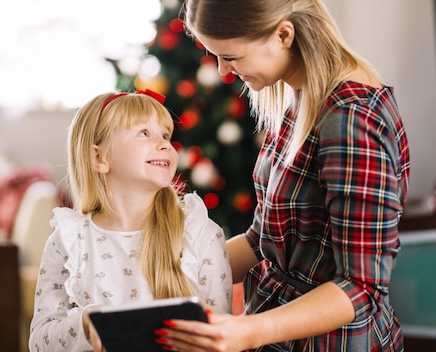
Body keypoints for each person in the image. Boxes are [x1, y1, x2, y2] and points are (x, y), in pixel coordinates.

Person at [153, 0, 410, 351]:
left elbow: (361, 289)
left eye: (231, 56)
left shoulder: (351, 119)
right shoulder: (302, 96)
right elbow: (263, 239)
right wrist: (166, 273)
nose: (223, 71)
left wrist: (247, 331)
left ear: (283, 35)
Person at [28, 89, 233, 351]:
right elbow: (39, 342)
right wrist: (84, 323)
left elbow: (224, 337)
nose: (165, 145)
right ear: (99, 158)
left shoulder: (200, 234)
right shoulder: (69, 241)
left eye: (166, 135)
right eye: (144, 133)